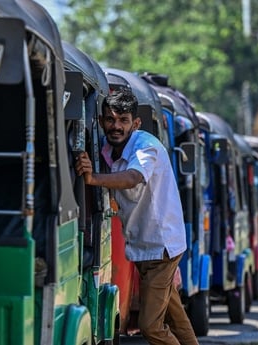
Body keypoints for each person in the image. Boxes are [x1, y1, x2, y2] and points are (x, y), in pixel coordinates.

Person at [74, 88, 198, 345]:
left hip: (161, 247)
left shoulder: (146, 147)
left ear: (136, 123)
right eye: (110, 119)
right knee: (175, 316)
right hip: (142, 246)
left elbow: (133, 178)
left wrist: (93, 178)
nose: (116, 126)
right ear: (101, 121)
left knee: (150, 325)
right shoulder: (108, 150)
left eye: (123, 120)